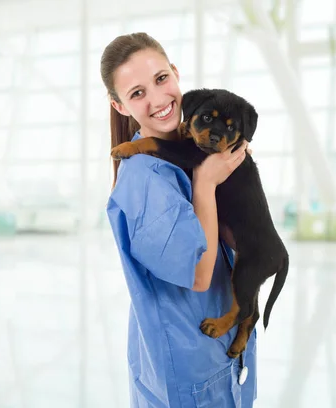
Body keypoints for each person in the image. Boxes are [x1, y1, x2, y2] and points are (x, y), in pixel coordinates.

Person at [101, 32, 257, 408]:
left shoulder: (194, 152)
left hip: (219, 360)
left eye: (160, 79)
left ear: (175, 73)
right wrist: (206, 183)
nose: (157, 100)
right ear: (120, 106)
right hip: (190, 374)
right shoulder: (146, 179)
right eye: (137, 93)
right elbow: (199, 274)